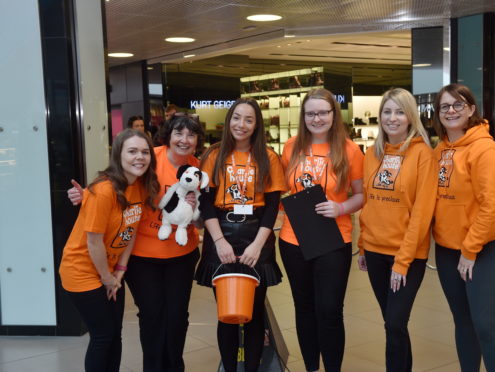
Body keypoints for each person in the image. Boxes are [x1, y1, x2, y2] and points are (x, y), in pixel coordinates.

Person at [68, 115, 205, 372]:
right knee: (152, 317)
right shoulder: (149, 157)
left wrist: (197, 211)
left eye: (191, 135)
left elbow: (200, 221)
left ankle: (174, 366)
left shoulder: (198, 167)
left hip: (181, 254)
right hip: (143, 256)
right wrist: (85, 194)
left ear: (198, 141)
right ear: (168, 136)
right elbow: (117, 182)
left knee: (177, 317)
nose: (184, 140)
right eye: (179, 133)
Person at [194, 98, 286, 372]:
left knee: (255, 314)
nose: (241, 125)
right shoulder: (214, 154)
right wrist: (219, 241)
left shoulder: (268, 157)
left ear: (257, 124)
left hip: (256, 235)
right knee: (226, 314)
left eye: (249, 119)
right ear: (229, 121)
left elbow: (272, 207)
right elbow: (206, 202)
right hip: (220, 233)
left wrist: (258, 245)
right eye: (237, 118)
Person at [59, 129, 159, 372]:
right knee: (103, 336)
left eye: (145, 152)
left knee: (115, 334)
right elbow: (93, 242)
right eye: (132, 151)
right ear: (119, 155)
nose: (140, 157)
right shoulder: (103, 190)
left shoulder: (140, 187)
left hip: (111, 272)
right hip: (82, 271)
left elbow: (131, 231)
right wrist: (107, 278)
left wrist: (120, 271)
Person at [279, 88, 364, 372]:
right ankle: (311, 367)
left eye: (323, 113)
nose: (317, 119)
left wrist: (340, 208)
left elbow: (361, 195)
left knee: (329, 311)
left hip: (333, 239)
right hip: (293, 240)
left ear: (333, 115)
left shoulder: (350, 150)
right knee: (303, 308)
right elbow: (284, 190)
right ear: (303, 116)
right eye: (311, 113)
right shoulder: (290, 147)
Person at [432, 83, 495, 372]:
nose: (451, 111)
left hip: (486, 248)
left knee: (486, 326)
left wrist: (470, 249)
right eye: (445, 106)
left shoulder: (485, 150)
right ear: (437, 113)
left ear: (471, 109)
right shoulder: (440, 150)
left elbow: (493, 206)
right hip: (447, 250)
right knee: (463, 322)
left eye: (458, 105)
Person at [357, 88, 437, 371]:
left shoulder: (423, 155)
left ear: (411, 117)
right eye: (387, 112)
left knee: (395, 322)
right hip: (375, 252)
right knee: (393, 324)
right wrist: (363, 245)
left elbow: (422, 213)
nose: (393, 118)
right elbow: (369, 204)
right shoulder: (371, 153)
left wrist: (402, 262)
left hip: (407, 256)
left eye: (400, 112)